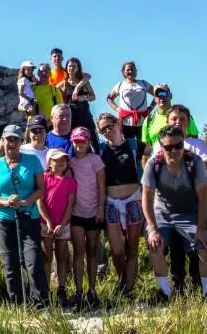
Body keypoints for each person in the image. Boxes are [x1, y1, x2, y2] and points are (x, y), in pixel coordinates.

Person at [141, 125, 207, 301]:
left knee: (204, 247)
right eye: (168, 147)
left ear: (184, 144)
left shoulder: (195, 163)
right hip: (163, 214)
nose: (174, 150)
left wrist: (202, 228)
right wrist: (152, 228)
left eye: (178, 146)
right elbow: (146, 198)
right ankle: (165, 293)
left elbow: (204, 198)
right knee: (155, 245)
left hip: (190, 213)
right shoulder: (154, 165)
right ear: (161, 147)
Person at [0, 125, 49, 306]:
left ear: (21, 142)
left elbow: (41, 189)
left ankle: (40, 302)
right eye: (8, 139)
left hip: (29, 215)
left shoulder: (32, 160)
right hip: (4, 218)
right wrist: (5, 202)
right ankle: (17, 302)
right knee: (9, 261)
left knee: (33, 260)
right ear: (2, 141)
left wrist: (27, 201)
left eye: (15, 139)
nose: (11, 143)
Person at [97, 113, 143, 298]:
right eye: (103, 129)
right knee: (117, 250)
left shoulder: (133, 144)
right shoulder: (100, 149)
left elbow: (157, 152)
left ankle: (127, 290)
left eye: (110, 125)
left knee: (132, 247)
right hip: (111, 202)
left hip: (133, 199)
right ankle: (124, 280)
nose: (108, 130)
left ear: (118, 123)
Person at [68, 127, 106, 309]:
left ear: (89, 141)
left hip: (93, 211)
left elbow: (101, 185)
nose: (79, 144)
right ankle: (78, 291)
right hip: (76, 212)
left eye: (82, 141)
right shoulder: (70, 162)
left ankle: (92, 290)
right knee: (78, 251)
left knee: (92, 250)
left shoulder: (96, 160)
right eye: (76, 141)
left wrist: (100, 209)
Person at [36, 148, 76, 307]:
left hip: (63, 224)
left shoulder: (70, 181)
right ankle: (45, 290)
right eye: (56, 161)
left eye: (63, 161)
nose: (59, 164)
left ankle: (61, 289)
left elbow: (70, 204)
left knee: (61, 256)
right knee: (46, 257)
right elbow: (40, 202)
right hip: (45, 223)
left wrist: (62, 223)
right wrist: (48, 222)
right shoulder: (44, 178)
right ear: (49, 163)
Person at [106, 61, 156, 160]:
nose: (130, 71)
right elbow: (109, 98)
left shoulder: (143, 83)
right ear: (123, 72)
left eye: (132, 69)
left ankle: (143, 170)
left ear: (136, 71)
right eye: (128, 69)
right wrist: (116, 108)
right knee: (127, 146)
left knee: (143, 147)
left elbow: (157, 94)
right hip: (126, 122)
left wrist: (151, 107)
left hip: (142, 120)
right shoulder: (120, 85)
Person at [140, 84, 200, 163]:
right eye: (158, 95)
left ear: (170, 96)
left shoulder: (183, 115)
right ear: (154, 99)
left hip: (183, 165)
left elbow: (195, 140)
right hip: (158, 167)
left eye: (164, 94)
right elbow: (146, 153)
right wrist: (146, 173)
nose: (161, 97)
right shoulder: (148, 120)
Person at [57, 57, 98, 151]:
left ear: (78, 68)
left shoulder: (84, 82)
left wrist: (84, 97)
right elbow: (53, 92)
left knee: (94, 144)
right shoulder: (63, 84)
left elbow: (93, 96)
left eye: (74, 66)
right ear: (66, 67)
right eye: (70, 66)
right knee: (73, 145)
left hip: (85, 117)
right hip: (72, 119)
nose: (71, 68)